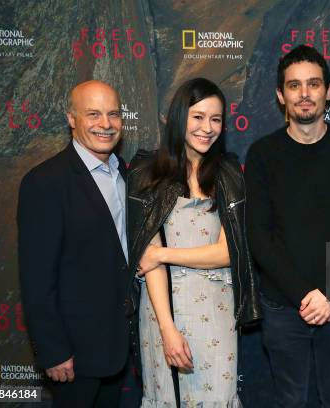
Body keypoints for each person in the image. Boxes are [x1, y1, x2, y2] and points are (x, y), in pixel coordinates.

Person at [245, 45, 330, 407]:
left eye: (313, 84)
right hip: (284, 306)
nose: (304, 94)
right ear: (280, 95)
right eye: (294, 86)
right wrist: (306, 295)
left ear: (329, 91)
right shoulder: (262, 155)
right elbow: (260, 235)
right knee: (290, 400)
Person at [127, 77, 260, 407]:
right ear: (178, 118)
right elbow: (149, 264)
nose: (207, 128)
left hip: (216, 305)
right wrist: (168, 330)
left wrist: (163, 255)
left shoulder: (228, 174)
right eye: (198, 117)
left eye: (216, 119)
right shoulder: (147, 171)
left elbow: (226, 252)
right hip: (161, 308)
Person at [18, 80, 135, 407]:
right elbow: (36, 278)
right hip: (73, 353)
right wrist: (53, 351)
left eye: (113, 114)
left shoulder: (122, 170)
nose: (106, 124)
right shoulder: (45, 183)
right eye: (93, 114)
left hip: (116, 344)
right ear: (72, 119)